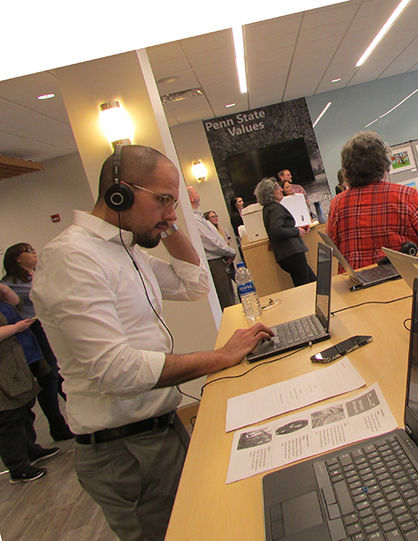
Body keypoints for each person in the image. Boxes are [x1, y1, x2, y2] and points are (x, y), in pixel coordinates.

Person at [30, 145, 273, 540]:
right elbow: (117, 371)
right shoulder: (73, 258)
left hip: (159, 431)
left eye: (174, 203)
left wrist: (166, 223)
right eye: (162, 200)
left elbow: (194, 282)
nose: (171, 213)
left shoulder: (124, 250)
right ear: (118, 194)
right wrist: (220, 356)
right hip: (125, 452)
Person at [327, 131, 418, 269]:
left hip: (359, 286)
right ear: (384, 164)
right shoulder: (406, 196)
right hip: (406, 280)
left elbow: (332, 250)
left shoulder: (338, 203)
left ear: (347, 169)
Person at [2, 243, 73, 441]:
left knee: (59, 375)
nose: (34, 253)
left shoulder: (38, 275)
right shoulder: (11, 284)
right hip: (32, 331)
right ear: (17, 258)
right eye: (29, 251)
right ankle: (57, 425)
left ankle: (73, 419)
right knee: (49, 377)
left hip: (49, 327)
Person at [0, 283, 60, 484]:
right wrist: (15, 328)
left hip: (17, 361)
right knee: (10, 419)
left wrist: (4, 289)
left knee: (24, 409)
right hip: (4, 369)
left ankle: (30, 449)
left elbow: (15, 302)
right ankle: (18, 467)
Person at [254, 177, 316, 287]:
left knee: (312, 282)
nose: (281, 190)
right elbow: (278, 230)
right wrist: (297, 231)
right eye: (278, 188)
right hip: (292, 252)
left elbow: (279, 228)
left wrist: (297, 228)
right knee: (306, 286)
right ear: (271, 193)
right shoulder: (275, 208)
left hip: (286, 254)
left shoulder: (268, 208)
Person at [187, 186, 237, 308]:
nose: (198, 194)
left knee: (231, 295)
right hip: (214, 263)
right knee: (226, 300)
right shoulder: (194, 219)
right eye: (196, 192)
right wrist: (230, 251)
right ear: (190, 198)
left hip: (220, 260)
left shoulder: (199, 217)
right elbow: (211, 242)